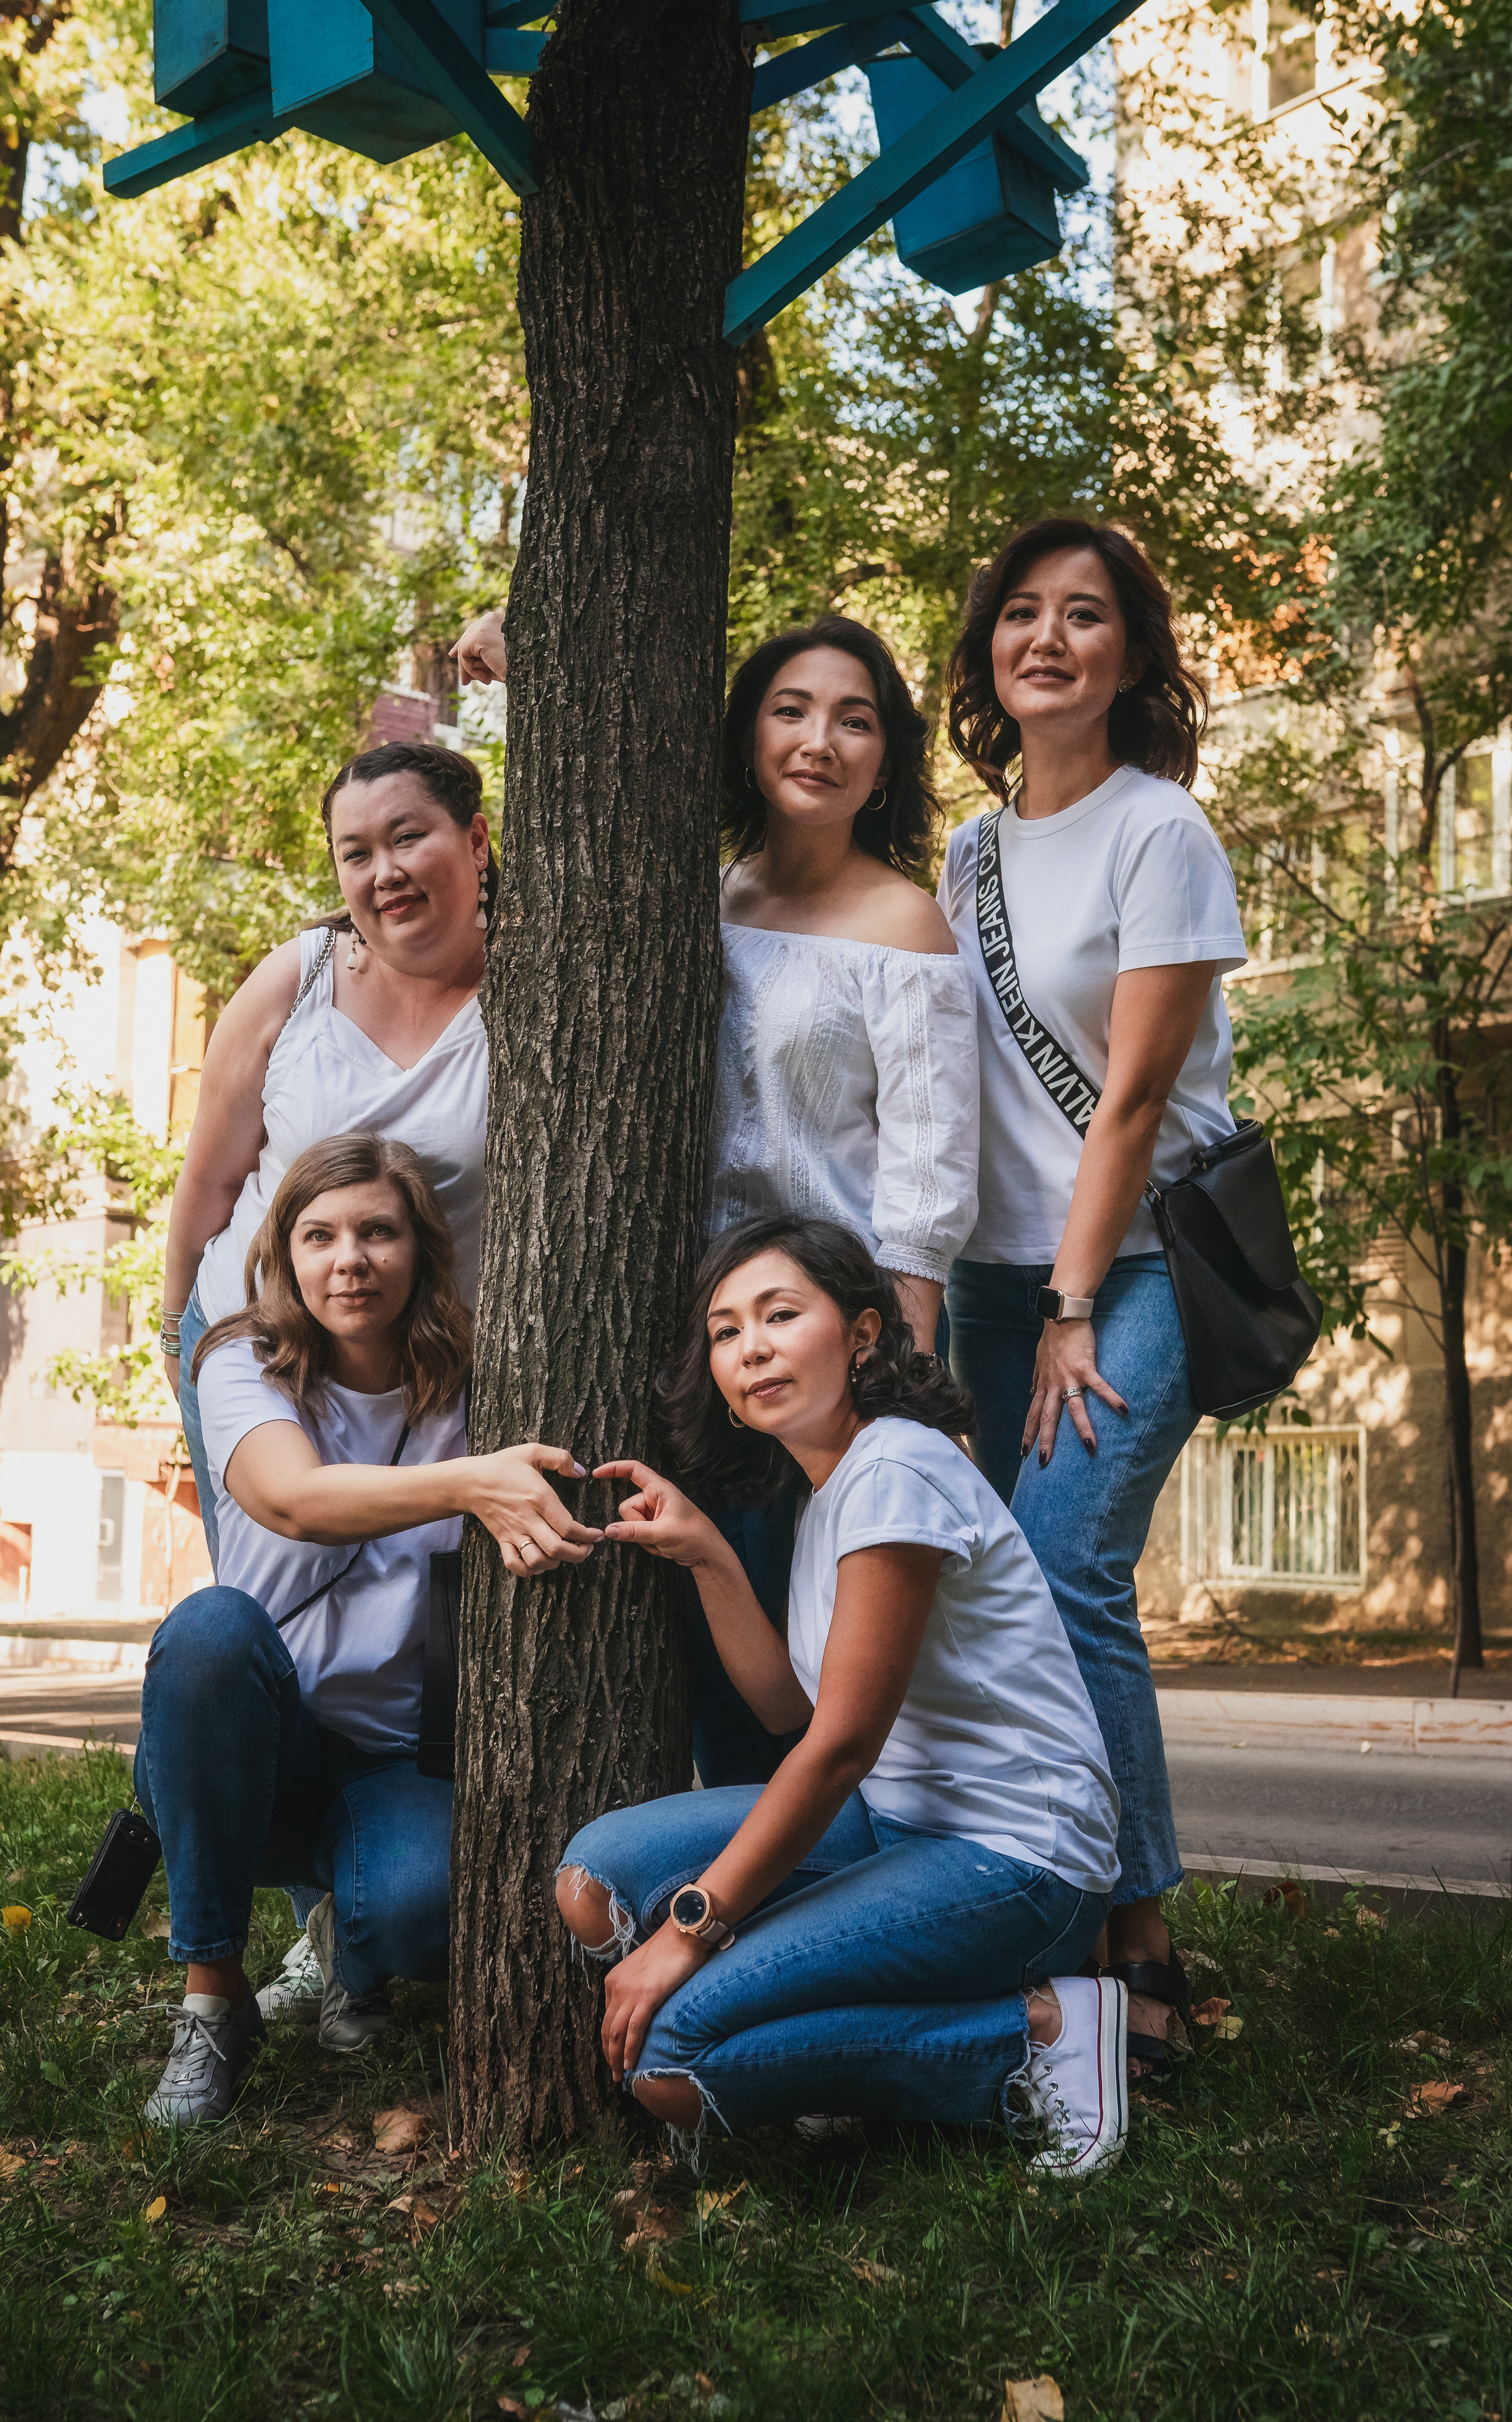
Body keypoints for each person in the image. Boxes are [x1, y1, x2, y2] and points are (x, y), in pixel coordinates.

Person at [454, 609, 980, 1788]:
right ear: (747, 736)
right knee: (704, 1645)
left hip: (826, 1344)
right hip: (695, 1329)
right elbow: (603, 781)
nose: (820, 741)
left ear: (886, 760)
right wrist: (534, 642)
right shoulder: (703, 897)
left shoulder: (906, 924)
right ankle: (724, 1859)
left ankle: (799, 1875)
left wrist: (893, 1394)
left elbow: (928, 1180)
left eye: (855, 721)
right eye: (791, 711)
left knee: (813, 1661)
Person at [552, 1213, 1126, 2175]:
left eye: (780, 1314)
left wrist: (693, 1931)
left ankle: (1037, 2034)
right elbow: (789, 1709)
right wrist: (707, 1552)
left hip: (1019, 1861)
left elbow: (840, 1745)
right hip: (898, 1825)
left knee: (674, 2064)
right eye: (726, 1331)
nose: (752, 1347)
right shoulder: (831, 1492)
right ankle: (836, 2036)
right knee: (594, 1880)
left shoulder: (897, 1468)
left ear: (862, 1335)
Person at [935, 516, 1249, 2079]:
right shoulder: (967, 854)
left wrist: (1067, 1305)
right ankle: (1046, 1904)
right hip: (987, 1278)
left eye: (1082, 615)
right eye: (1020, 613)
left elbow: (1127, 1100)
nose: (1046, 638)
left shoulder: (1159, 832)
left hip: (1129, 1273)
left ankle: (1139, 1933)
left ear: (1129, 657)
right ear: (986, 647)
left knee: (1067, 1572)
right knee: (996, 1599)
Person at [136, 1134, 601, 2129]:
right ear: (286, 1255)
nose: (350, 1259)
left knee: (423, 1912)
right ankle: (214, 2002)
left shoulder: (482, 1382)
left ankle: (352, 1948)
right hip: (261, 1748)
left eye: (378, 1232)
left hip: (397, 1761)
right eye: (321, 1236)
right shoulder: (243, 1363)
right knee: (211, 1630)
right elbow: (294, 1499)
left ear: (422, 1247)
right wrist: (472, 1483)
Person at [161, 736, 492, 2021]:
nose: (382, 871)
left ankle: (349, 1910)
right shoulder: (297, 978)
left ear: (474, 841)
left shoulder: (530, 990)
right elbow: (209, 1176)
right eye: (356, 851)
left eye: (408, 837)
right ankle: (232, 1965)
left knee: (386, 1613)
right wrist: (184, 1342)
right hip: (256, 1343)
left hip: (425, 1354)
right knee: (251, 1618)